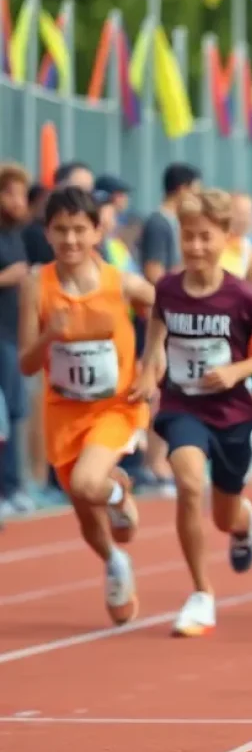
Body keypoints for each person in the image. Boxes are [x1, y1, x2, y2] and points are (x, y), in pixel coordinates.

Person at [133, 188, 252, 637]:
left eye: (205, 237)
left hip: (232, 414)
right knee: (188, 483)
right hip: (183, 407)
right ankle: (201, 592)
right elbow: (157, 333)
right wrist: (147, 370)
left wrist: (238, 370)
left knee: (223, 514)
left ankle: (243, 523)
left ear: (225, 237)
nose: (196, 246)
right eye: (188, 236)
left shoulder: (240, 295)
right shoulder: (168, 289)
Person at [17, 187, 152, 623]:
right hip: (64, 411)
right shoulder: (37, 284)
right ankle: (115, 561)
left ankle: (116, 494)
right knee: (83, 511)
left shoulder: (123, 282)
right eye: (61, 231)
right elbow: (25, 363)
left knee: (87, 484)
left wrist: (153, 367)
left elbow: (171, 312)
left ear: (98, 231)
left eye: (79, 230)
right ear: (48, 233)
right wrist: (48, 335)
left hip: (115, 406)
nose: (70, 240)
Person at [0, 164, 30, 517]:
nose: (19, 201)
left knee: (17, 410)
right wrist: (6, 277)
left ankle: (15, 483)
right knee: (4, 414)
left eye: (22, 193)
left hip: (14, 333)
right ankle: (7, 487)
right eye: (12, 193)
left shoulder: (15, 234)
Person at [138, 163, 201, 286]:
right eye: (195, 194)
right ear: (183, 189)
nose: (197, 200)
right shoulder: (158, 223)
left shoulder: (174, 221)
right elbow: (153, 273)